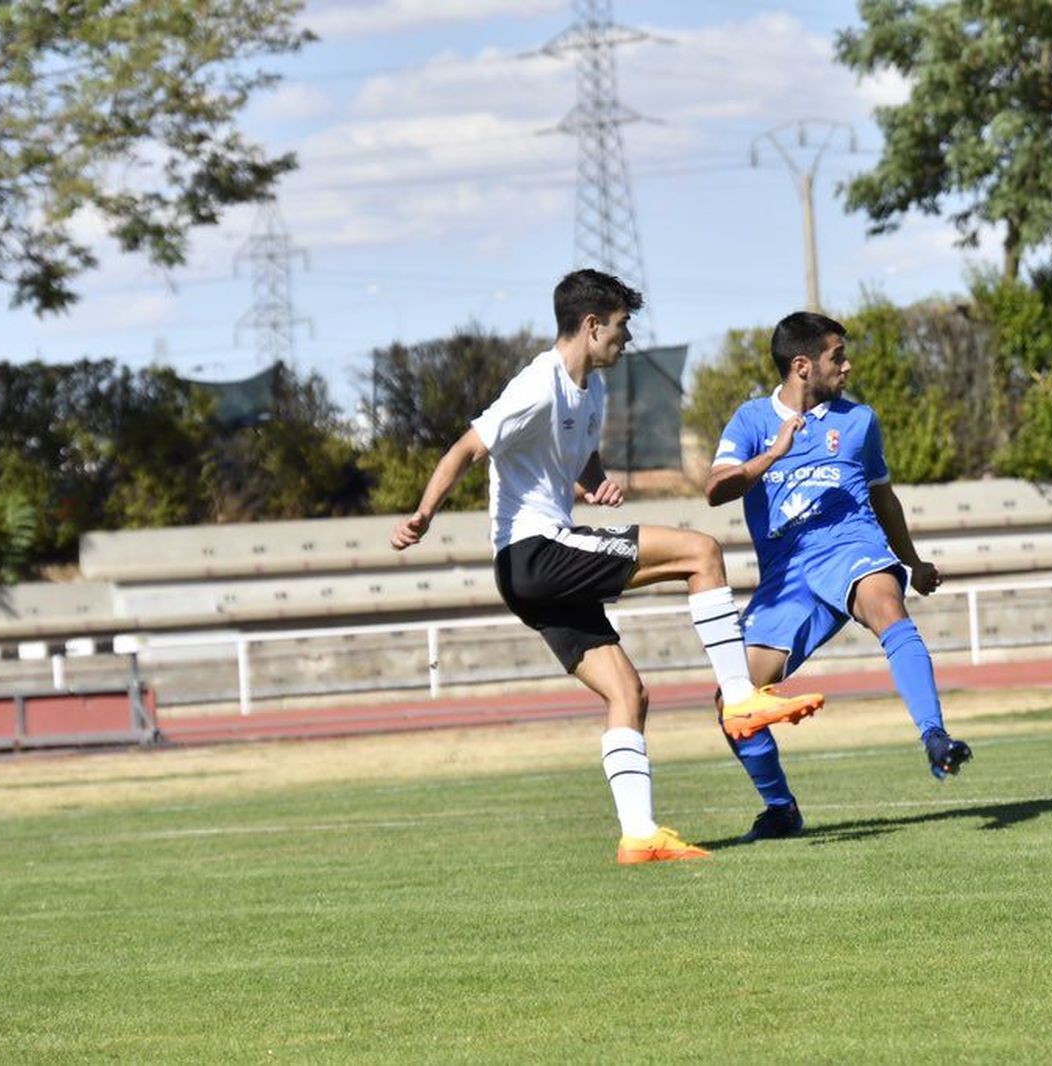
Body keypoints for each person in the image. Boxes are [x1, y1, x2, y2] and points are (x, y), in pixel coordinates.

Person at [391, 270, 824, 864]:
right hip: (535, 553)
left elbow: (575, 457)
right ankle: (740, 697)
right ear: (592, 326)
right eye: (621, 326)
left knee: (628, 693)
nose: (627, 339)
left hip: (534, 572)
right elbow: (467, 448)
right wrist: (423, 515)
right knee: (701, 552)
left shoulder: (591, 391)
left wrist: (595, 483)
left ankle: (639, 836)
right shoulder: (538, 384)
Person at [705, 311, 973, 842]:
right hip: (785, 577)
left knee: (887, 608)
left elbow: (883, 498)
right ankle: (780, 809)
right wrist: (773, 455)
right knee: (732, 702)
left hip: (851, 548)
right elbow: (715, 489)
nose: (847, 366)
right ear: (802, 365)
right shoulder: (752, 421)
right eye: (837, 357)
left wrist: (912, 562)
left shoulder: (858, 421)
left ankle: (935, 736)